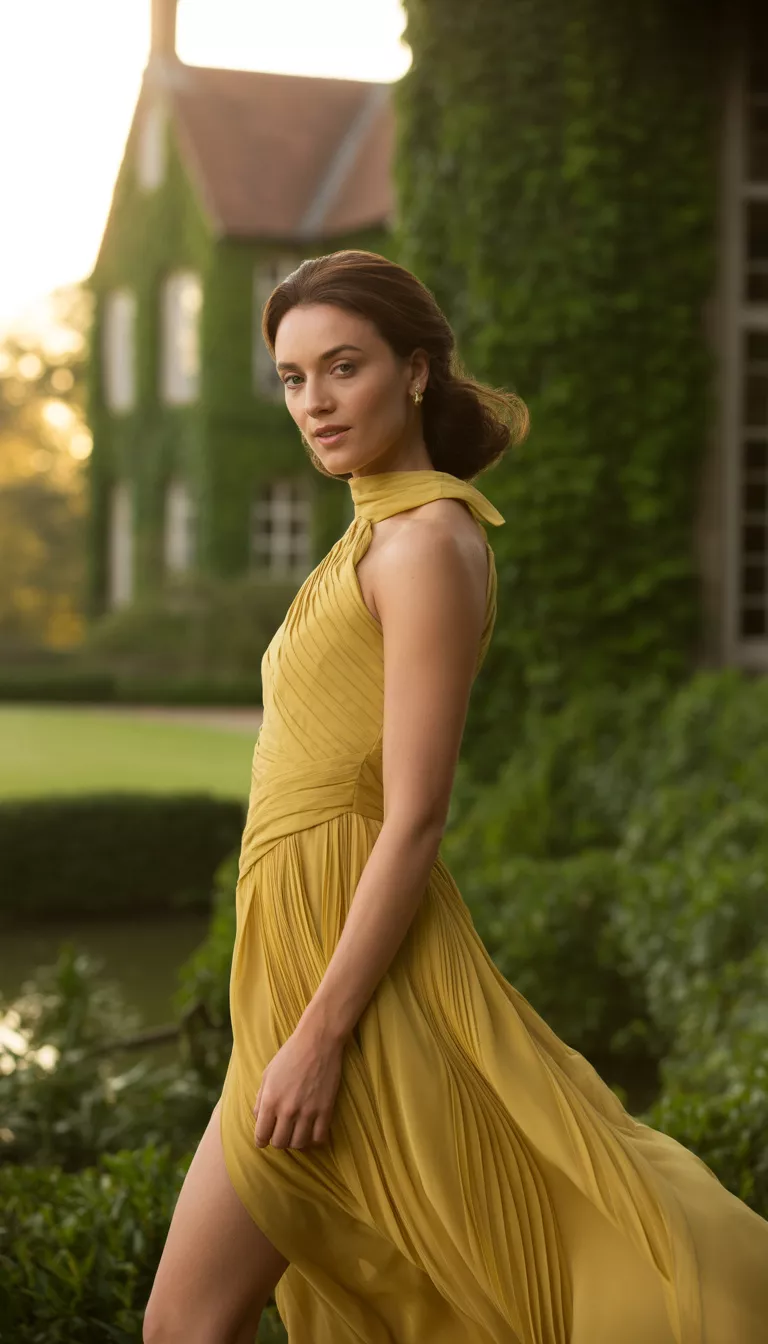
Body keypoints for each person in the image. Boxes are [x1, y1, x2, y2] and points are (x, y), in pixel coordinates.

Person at [144, 250, 768, 1344]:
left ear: (418, 371)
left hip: (349, 977)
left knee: (191, 1324)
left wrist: (323, 1034)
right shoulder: (372, 535)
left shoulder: (428, 542)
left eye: (344, 367)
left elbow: (416, 816)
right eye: (293, 378)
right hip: (293, 962)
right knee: (191, 1323)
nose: (315, 402)